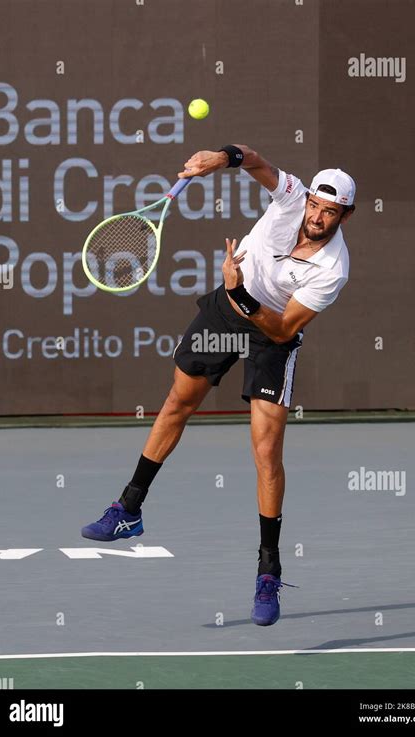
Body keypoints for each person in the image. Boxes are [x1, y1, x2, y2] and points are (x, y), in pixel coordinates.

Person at [82, 145, 356, 626]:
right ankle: (128, 508)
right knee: (176, 404)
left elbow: (282, 330)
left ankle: (268, 572)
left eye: (328, 212)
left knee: (267, 451)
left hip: (269, 331)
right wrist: (222, 157)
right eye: (315, 204)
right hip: (226, 313)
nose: (316, 215)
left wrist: (239, 291)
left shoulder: (333, 268)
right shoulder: (291, 197)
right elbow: (257, 163)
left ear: (344, 216)